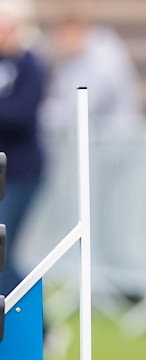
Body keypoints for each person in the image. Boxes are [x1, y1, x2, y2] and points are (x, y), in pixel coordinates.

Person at [0, 0, 45, 297]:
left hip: (19, 172)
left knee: (3, 253)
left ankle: (40, 323)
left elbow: (22, 116)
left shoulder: (30, 65)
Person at [40, 2, 142, 130]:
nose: (58, 42)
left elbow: (79, 109)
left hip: (114, 138)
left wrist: (38, 114)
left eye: (61, 35)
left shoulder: (103, 58)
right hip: (95, 135)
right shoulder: (72, 60)